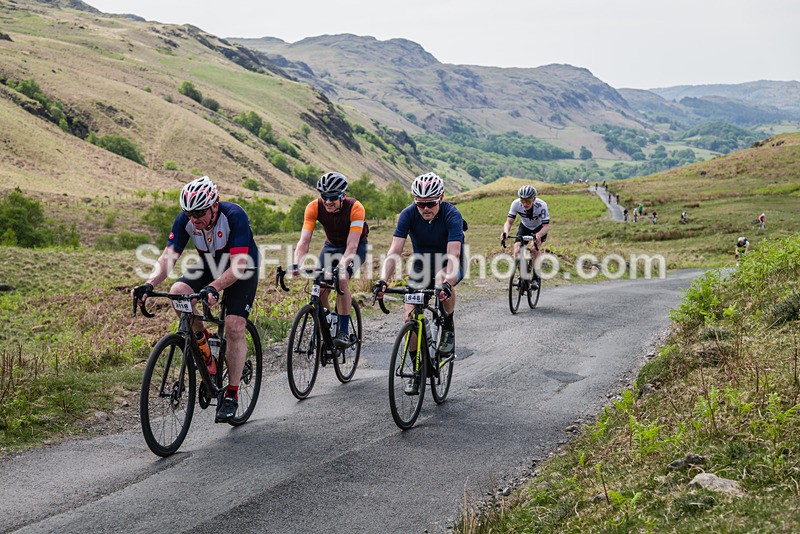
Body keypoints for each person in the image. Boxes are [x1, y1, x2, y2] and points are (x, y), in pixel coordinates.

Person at [132, 176, 260, 423]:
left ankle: (231, 394)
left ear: (215, 204)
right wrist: (149, 284)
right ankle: (205, 347)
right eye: (189, 213)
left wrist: (214, 287)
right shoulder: (186, 220)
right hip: (211, 263)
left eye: (199, 212)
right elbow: (168, 258)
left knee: (234, 326)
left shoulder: (235, 215)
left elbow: (238, 267)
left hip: (242, 267)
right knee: (179, 290)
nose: (194, 219)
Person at [373, 172, 464, 393]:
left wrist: (446, 283)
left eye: (430, 203)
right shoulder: (407, 215)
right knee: (409, 316)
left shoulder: (452, 215)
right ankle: (417, 369)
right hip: (421, 266)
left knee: (443, 279)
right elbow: (395, 250)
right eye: (420, 203)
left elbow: (453, 255)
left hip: (448, 263)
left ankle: (448, 326)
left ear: (440, 198)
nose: (425, 208)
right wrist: (384, 279)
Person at [292, 172, 368, 348]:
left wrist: (340, 267)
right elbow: (304, 242)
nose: (327, 201)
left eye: (333, 197)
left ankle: (343, 331)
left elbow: (351, 246)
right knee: (320, 286)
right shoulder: (313, 207)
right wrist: (297, 263)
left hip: (355, 247)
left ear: (343, 196)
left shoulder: (356, 208)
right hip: (331, 246)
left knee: (341, 279)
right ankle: (328, 321)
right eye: (324, 196)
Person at [500, 185, 550, 290]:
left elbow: (546, 226)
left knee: (534, 249)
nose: (525, 204)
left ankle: (536, 277)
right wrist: (505, 232)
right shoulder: (516, 204)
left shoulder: (542, 205)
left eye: (528, 201)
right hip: (525, 227)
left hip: (539, 228)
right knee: (517, 251)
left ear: (534, 199)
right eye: (523, 201)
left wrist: (539, 235)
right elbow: (509, 222)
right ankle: (523, 275)